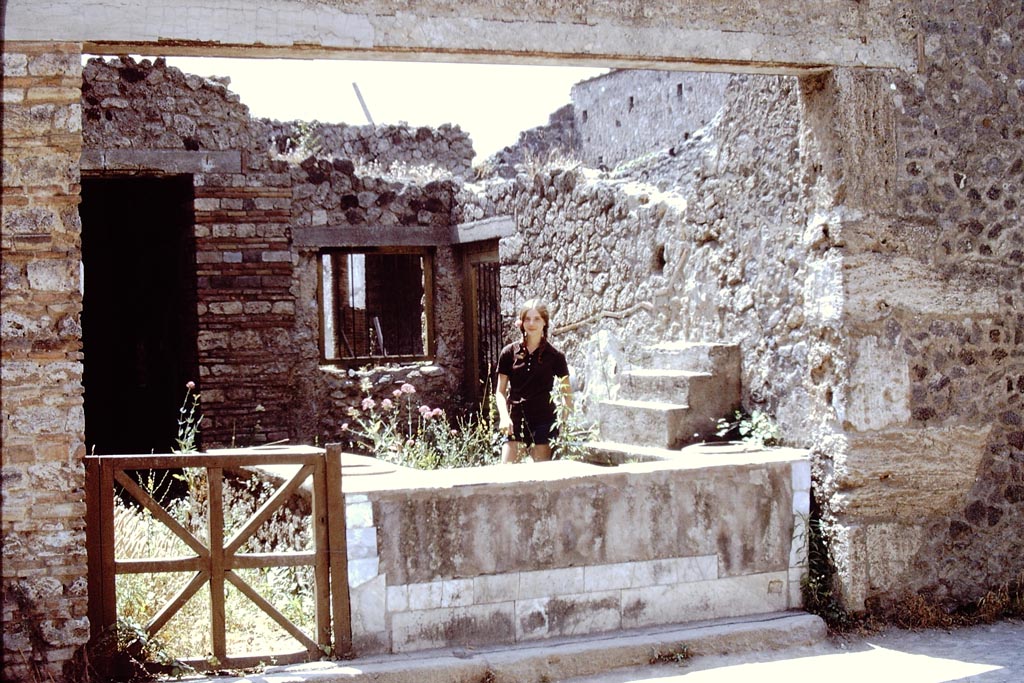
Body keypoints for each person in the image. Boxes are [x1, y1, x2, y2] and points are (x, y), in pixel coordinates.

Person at [495, 299, 572, 463]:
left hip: (543, 421)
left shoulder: (555, 357)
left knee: (541, 480)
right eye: (527, 319)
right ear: (521, 322)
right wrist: (504, 417)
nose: (531, 323)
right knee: (505, 476)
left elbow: (567, 395)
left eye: (536, 318)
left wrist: (563, 425)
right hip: (515, 419)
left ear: (544, 321)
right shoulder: (508, 353)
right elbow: (500, 392)